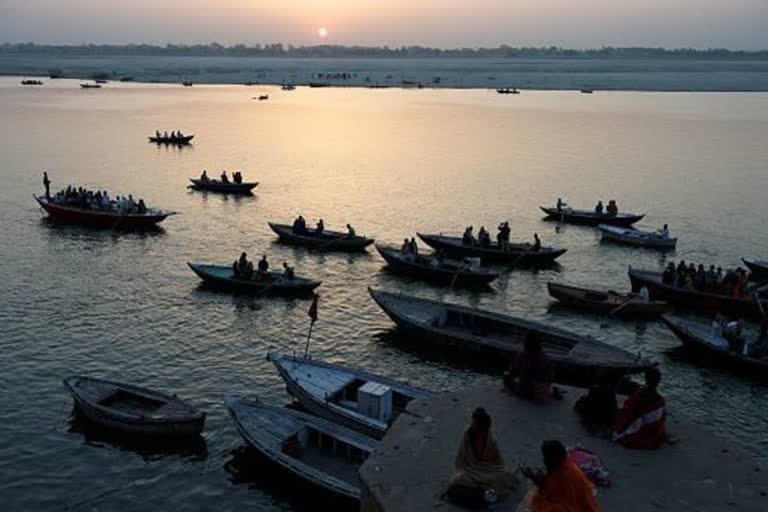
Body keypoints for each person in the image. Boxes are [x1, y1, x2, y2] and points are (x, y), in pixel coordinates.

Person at [446, 407, 517, 507]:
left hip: (487, 469)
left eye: (476, 423)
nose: (473, 425)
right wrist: (469, 469)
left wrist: (491, 470)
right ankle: (485, 492)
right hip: (470, 469)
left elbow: (498, 461)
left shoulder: (489, 439)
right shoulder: (468, 433)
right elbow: (462, 457)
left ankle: (483, 492)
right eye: (473, 422)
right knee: (458, 479)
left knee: (502, 475)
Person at [518, 440, 601, 512]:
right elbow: (552, 485)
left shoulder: (567, 474)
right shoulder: (562, 464)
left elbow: (558, 499)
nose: (544, 460)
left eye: (546, 458)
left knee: (546, 505)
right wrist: (534, 477)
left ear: (552, 459)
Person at [612, 368, 666, 449]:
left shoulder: (638, 397)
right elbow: (663, 418)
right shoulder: (660, 400)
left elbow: (628, 414)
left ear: (646, 379)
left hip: (641, 432)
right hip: (655, 433)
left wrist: (619, 429)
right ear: (658, 381)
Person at [504, 332, 553, 402]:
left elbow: (513, 373)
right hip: (543, 395)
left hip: (528, 394)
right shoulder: (545, 357)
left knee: (506, 377)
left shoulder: (522, 356)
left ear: (526, 343)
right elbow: (550, 378)